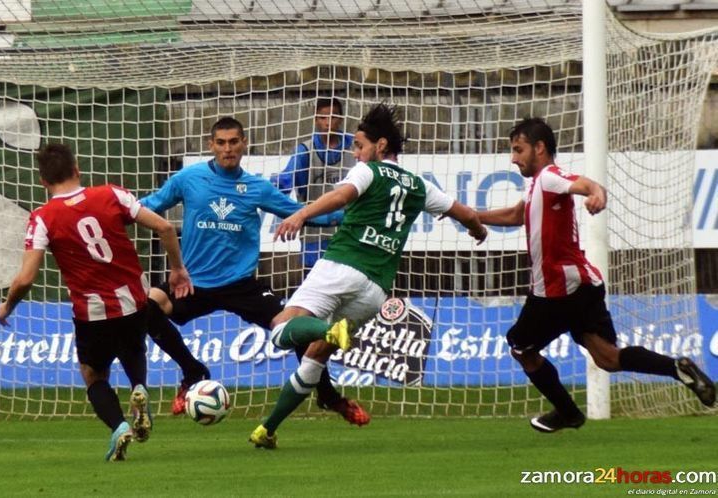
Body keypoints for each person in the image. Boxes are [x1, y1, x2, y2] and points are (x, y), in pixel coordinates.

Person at [248, 103, 488, 449]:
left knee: (281, 330)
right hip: (375, 291)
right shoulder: (420, 186)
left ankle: (328, 329)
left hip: (340, 268)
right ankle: (267, 429)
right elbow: (463, 212)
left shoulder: (367, 172)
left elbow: (339, 196)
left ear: (381, 145)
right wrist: (477, 228)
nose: (355, 153)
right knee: (316, 357)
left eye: (360, 146)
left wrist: (301, 214)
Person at [475, 117, 716, 433]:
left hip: (558, 290)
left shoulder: (549, 175)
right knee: (608, 358)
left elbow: (583, 184)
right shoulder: (536, 183)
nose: (513, 158)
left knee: (520, 346)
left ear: (539, 148)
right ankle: (677, 368)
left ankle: (568, 413)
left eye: (518, 150)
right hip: (585, 284)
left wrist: (596, 192)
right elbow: (516, 215)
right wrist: (470, 215)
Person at [141, 116, 370, 425]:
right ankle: (192, 371)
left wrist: (348, 217)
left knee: (292, 327)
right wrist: (114, 210)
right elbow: (151, 204)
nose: (227, 149)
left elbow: (301, 214)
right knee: (147, 308)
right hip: (194, 282)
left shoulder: (256, 187)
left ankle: (328, 396)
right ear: (211, 145)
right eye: (221, 143)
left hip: (240, 285)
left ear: (244, 143)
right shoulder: (189, 178)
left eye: (234, 142)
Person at [0, 143, 193, 461]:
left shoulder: (43, 218)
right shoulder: (112, 194)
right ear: (77, 170)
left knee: (93, 374)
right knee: (132, 348)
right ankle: (139, 387)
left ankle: (118, 427)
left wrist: (7, 305)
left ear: (43, 181)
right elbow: (166, 227)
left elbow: (26, 278)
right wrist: (177, 270)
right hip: (133, 301)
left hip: (92, 312)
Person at [270, 97, 355, 272]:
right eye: (323, 117)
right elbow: (286, 181)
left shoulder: (355, 148)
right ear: (316, 119)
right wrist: (271, 189)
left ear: (341, 118)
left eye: (333, 117)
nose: (328, 122)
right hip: (315, 233)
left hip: (350, 232)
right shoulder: (304, 151)